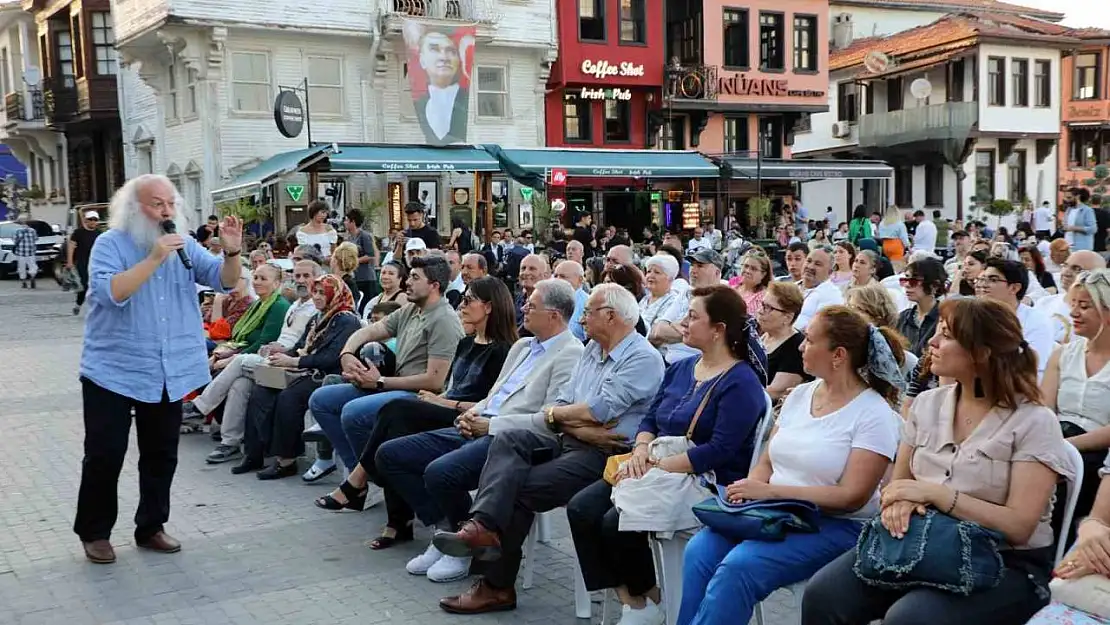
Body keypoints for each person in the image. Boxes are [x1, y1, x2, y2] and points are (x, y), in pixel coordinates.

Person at [802, 298, 1074, 625]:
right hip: (919, 540)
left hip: (1003, 561)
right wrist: (898, 503)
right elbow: (894, 488)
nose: (931, 341)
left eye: (945, 335)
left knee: (911, 618)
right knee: (824, 594)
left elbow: (1019, 526)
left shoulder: (1033, 422)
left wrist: (935, 495)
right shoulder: (927, 405)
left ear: (981, 352)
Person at [431, 284, 665, 614]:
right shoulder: (591, 350)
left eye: (588, 312)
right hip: (570, 440)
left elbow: (596, 410)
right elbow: (561, 406)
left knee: (515, 489)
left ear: (611, 317)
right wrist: (567, 419)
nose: (581, 318)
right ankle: (481, 527)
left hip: (608, 456)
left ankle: (496, 585)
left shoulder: (642, 358)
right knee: (509, 439)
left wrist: (562, 417)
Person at [679, 305, 904, 625]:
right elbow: (769, 458)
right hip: (777, 512)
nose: (800, 345)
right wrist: (750, 490)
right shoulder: (801, 395)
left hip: (836, 525)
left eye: (810, 340)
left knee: (739, 567)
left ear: (838, 355)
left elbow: (851, 496)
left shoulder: (873, 414)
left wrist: (768, 492)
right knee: (700, 551)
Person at [567, 286, 769, 624]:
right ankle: (637, 599)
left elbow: (719, 451)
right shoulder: (681, 367)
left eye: (692, 317)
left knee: (613, 522)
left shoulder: (741, 383)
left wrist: (655, 464)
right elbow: (650, 417)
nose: (682, 323)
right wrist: (642, 449)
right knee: (581, 509)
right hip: (655, 465)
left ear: (718, 329)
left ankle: (650, 599)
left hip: (705, 480)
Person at [75, 174, 244, 564]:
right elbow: (110, 292)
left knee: (161, 453)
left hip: (167, 369)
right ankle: (95, 532)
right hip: (113, 368)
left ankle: (151, 526)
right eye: (157, 204)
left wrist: (232, 254)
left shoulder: (184, 246)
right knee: (104, 453)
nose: (166, 211)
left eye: (171, 203)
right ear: (135, 209)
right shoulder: (110, 244)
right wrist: (154, 257)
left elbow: (224, 282)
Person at [378, 278, 584, 582]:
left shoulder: (570, 353)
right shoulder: (523, 346)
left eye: (532, 304)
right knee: (390, 455)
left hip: (512, 438)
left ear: (554, 315)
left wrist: (490, 424)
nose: (523, 307)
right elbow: (495, 394)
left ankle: (462, 546)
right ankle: (447, 530)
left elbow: (550, 419)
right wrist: (471, 412)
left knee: (439, 472)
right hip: (479, 423)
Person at [314, 277, 516, 546]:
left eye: (468, 301)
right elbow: (452, 388)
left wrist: (440, 402)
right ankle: (399, 520)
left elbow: (491, 405)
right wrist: (436, 399)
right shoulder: (467, 343)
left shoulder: (503, 351)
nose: (462, 306)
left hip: (469, 417)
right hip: (445, 406)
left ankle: (361, 485)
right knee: (392, 432)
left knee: (396, 410)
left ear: (489, 307)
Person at [307, 255, 465, 473]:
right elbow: (370, 330)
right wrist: (347, 353)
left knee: (353, 412)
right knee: (321, 400)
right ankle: (359, 474)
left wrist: (380, 382)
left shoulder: (444, 320)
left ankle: (371, 474)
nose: (407, 282)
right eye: (409, 276)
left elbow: (435, 382)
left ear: (434, 286)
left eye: (414, 278)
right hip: (392, 385)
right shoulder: (412, 309)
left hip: (419, 396)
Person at [189, 260, 323, 458]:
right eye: (297, 276)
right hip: (272, 357)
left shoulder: (305, 306)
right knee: (240, 384)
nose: (301, 281)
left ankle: (200, 406)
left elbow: (304, 343)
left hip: (291, 363)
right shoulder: (294, 305)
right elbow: (239, 335)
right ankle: (230, 442)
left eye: (306, 276)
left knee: (238, 362)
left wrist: (285, 351)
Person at [240, 274, 363, 479]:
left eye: (323, 292)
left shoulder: (346, 320)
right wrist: (282, 356)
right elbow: (300, 346)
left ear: (335, 294)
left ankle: (286, 460)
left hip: (328, 376)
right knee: (261, 392)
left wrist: (295, 361)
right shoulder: (319, 317)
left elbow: (331, 358)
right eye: (314, 292)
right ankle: (256, 452)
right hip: (306, 369)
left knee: (289, 398)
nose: (316, 297)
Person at [1041, 268, 1110, 538]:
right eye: (1074, 305)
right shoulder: (1062, 355)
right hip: (1057, 441)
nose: (1074, 313)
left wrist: (1067, 447)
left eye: (1085, 306)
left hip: (1098, 454)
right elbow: (1044, 411)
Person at [975, 258, 1055, 380]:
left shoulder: (1036, 321)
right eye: (981, 279)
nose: (982, 285)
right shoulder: (971, 315)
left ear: (1014, 288)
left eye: (993, 280)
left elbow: (1032, 368)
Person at [411, 28, 469, 145]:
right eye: (434, 49)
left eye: (451, 51)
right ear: (422, 60)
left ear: (458, 60)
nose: (444, 58)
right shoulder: (418, 104)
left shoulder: (467, 99)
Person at [1036, 249, 1106, 343]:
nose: (1066, 273)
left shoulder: (1101, 315)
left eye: (1077, 269)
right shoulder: (1043, 303)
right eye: (1065, 265)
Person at [759, 281, 810, 401]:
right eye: (762, 305)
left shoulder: (796, 348)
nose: (760, 311)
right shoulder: (763, 336)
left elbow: (774, 392)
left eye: (768, 308)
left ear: (787, 317)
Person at [896, 258, 945, 356]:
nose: (907, 285)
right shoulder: (903, 317)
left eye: (914, 281)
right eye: (905, 279)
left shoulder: (945, 319)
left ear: (934, 285)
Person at [794, 247, 845, 331]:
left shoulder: (832, 295)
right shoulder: (792, 287)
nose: (810, 267)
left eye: (818, 264)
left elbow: (821, 330)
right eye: (808, 261)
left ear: (830, 272)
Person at [344, 208, 380, 313]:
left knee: (367, 306)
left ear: (353, 221)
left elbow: (370, 255)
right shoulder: (350, 238)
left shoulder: (364, 236)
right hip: (355, 277)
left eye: (347, 220)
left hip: (366, 278)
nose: (345, 223)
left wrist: (354, 261)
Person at [640, 254, 681, 344]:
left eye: (657, 272)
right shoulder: (644, 300)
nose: (651, 275)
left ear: (670, 279)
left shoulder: (673, 301)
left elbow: (656, 335)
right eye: (649, 271)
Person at [553, 259, 589, 341]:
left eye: (563, 276)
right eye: (555, 276)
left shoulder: (588, 304)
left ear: (580, 280)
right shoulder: (546, 301)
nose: (557, 280)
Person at [734, 251, 770, 317]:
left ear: (763, 274)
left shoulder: (764, 296)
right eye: (746, 266)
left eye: (753, 269)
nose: (747, 271)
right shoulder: (734, 284)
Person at [1063, 187, 1097, 252]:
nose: (1067, 200)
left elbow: (1093, 229)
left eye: (1069, 198)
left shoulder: (1087, 210)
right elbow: (1066, 226)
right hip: (1068, 247)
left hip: (1082, 248)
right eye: (1066, 198)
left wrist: (1074, 228)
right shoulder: (1068, 210)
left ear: (1077, 197)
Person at [12, 213, 38, 288]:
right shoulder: (33, 231)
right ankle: (32, 277)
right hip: (31, 252)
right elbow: (35, 239)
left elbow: (14, 241)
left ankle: (24, 282)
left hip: (20, 253)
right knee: (32, 266)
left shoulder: (17, 231)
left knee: (21, 267)